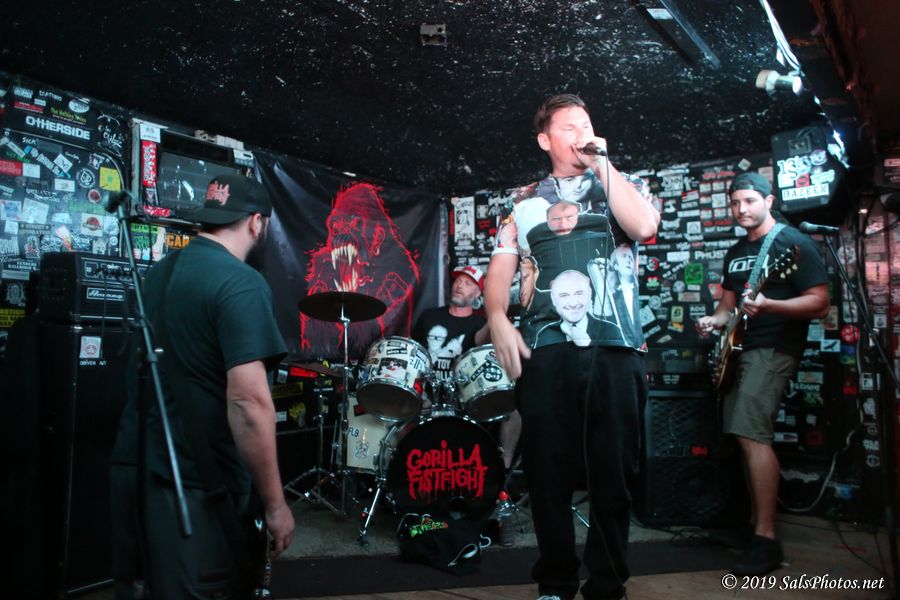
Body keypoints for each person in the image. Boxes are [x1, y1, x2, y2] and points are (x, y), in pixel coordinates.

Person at [484, 93, 659, 600]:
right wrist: (496, 317)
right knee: (547, 474)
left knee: (613, 475)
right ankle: (555, 583)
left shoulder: (623, 183)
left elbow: (644, 227)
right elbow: (501, 267)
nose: (582, 133)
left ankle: (606, 585)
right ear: (545, 140)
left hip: (616, 347)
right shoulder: (523, 199)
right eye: (569, 127)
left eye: (586, 124)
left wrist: (602, 164)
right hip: (546, 350)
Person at [110, 174, 295, 599]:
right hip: (193, 487)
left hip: (134, 469)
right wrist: (275, 504)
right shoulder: (242, 282)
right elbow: (248, 403)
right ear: (256, 222)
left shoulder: (157, 274)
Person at [695, 171, 829, 576]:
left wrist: (771, 306)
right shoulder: (736, 251)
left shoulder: (793, 243)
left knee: (753, 435)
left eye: (750, 201)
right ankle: (752, 526)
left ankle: (767, 539)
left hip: (773, 349)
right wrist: (712, 322)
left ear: (769, 201)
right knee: (741, 435)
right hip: (738, 351)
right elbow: (727, 309)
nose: (741, 209)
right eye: (735, 203)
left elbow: (819, 303)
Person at [412, 265, 521, 469]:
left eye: (468, 283)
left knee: (514, 407)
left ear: (478, 293)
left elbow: (481, 341)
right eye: (458, 280)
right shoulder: (429, 317)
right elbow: (413, 355)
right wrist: (419, 393)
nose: (460, 285)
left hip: (463, 398)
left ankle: (504, 466)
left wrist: (496, 311)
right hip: (427, 395)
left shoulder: (479, 325)